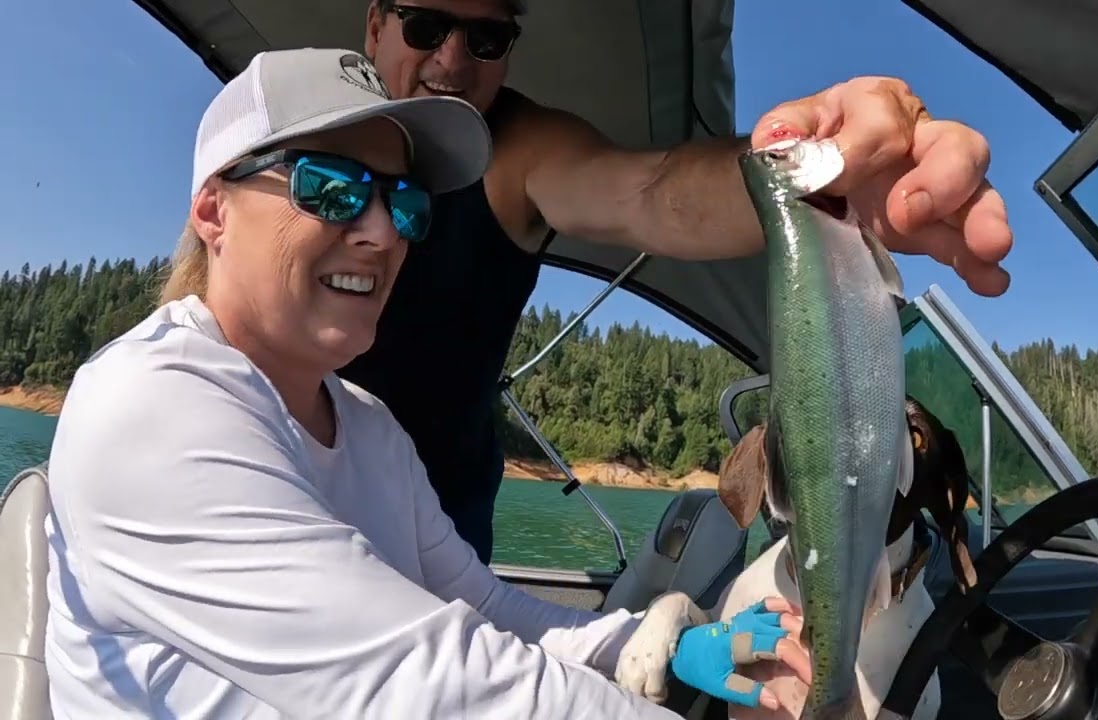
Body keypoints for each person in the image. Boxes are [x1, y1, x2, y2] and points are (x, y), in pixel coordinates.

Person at [43, 47, 809, 719]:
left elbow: (486, 610)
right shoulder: (150, 404)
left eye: (404, 203)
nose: (380, 232)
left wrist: (660, 647)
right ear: (214, 210)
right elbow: (429, 687)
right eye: (332, 188)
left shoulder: (369, 425)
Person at [342, 0, 1016, 565]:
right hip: (263, 493)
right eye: (426, 26)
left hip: (441, 534)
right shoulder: (297, 129)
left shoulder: (512, 148)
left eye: (486, 38)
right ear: (376, 25)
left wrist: (807, 174)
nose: (454, 61)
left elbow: (651, 191)